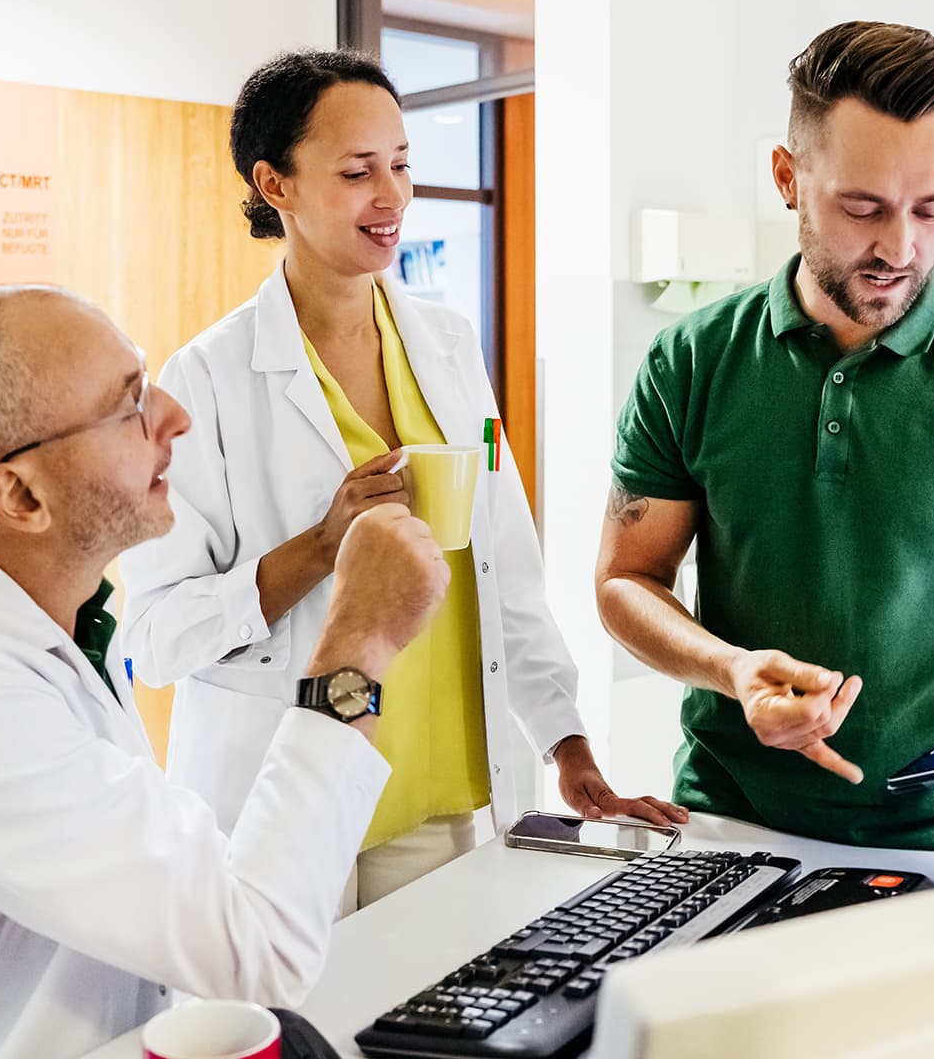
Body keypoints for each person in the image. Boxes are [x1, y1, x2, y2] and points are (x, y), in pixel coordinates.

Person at [0, 285, 450, 1058]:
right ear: (20, 494)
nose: (175, 417)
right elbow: (257, 955)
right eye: (128, 406)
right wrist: (359, 642)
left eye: (146, 378)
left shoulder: (25, 586)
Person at [121, 49, 682, 909]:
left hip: (449, 795)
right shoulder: (207, 379)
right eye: (357, 172)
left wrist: (566, 742)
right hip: (286, 801)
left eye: (402, 164)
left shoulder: (451, 347)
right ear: (277, 185)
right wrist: (318, 548)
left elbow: (506, 563)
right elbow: (158, 637)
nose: (392, 196)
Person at [595, 21, 934, 875]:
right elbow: (626, 580)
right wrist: (734, 672)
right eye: (862, 207)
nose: (899, 248)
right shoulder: (691, 361)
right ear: (787, 179)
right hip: (730, 831)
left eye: (933, 207)